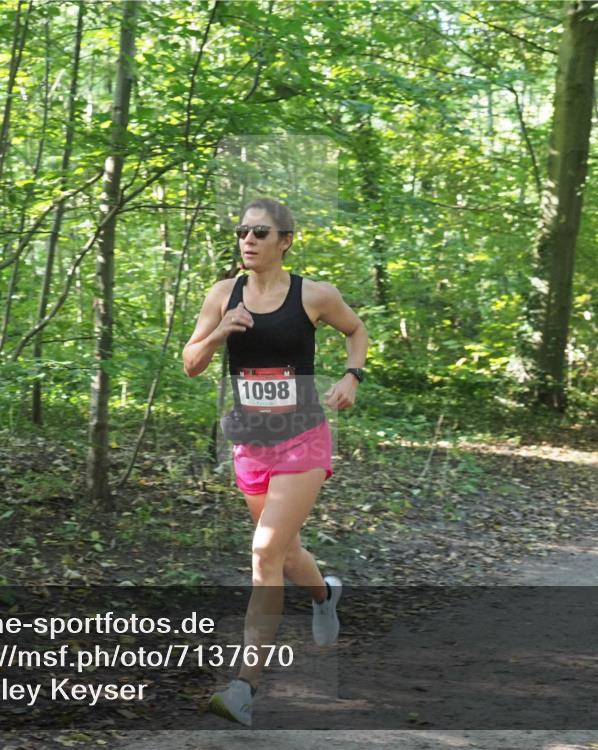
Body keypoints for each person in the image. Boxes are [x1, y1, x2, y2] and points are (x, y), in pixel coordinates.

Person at [182, 198, 369, 727]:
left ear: (286, 239)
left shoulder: (314, 294)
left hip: (304, 438)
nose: (248, 240)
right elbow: (192, 364)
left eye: (260, 232)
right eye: (242, 230)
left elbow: (357, 331)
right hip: (251, 442)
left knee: (264, 552)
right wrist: (221, 331)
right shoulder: (223, 294)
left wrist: (352, 377)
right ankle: (323, 592)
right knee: (285, 555)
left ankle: (244, 687)